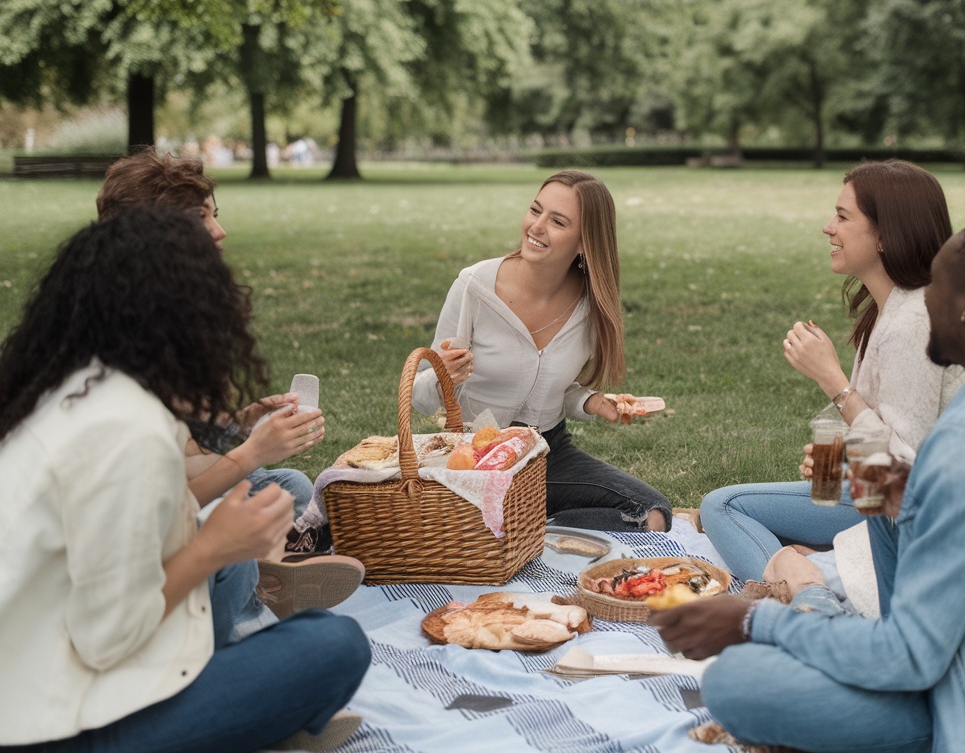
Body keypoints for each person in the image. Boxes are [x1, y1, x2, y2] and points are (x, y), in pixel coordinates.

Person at [652, 192, 965, 753]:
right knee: (879, 490)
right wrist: (886, 487)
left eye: (934, 284)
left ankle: (814, 599)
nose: (919, 301)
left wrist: (753, 623)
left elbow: (911, 658)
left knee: (735, 683)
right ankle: (821, 607)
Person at [0, 207, 371, 752]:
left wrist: (220, 547)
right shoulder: (130, 433)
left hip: (34, 665)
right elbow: (106, 637)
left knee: (225, 573)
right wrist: (215, 544)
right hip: (56, 726)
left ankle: (238, 699)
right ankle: (249, 721)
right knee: (334, 644)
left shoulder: (68, 389)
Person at [97, 148, 363, 621]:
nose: (220, 232)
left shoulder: (179, 313)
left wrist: (241, 424)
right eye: (201, 219)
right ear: (153, 234)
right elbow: (164, 499)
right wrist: (250, 453)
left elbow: (190, 445)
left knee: (286, 486)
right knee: (239, 543)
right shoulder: (122, 341)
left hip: (176, 493)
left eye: (216, 216)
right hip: (131, 534)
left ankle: (267, 574)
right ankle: (258, 584)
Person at [700, 160, 965, 615]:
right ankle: (806, 571)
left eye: (843, 217)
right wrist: (841, 458)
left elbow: (904, 482)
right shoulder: (890, 311)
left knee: (725, 509)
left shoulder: (916, 323)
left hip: (922, 520)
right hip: (875, 496)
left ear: (885, 234)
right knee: (726, 507)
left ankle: (811, 596)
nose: (828, 227)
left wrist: (833, 380)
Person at [411, 169, 672, 532]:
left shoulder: (589, 305)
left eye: (557, 221)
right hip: (472, 457)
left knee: (651, 514)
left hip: (547, 454)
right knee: (469, 529)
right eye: (536, 211)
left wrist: (592, 402)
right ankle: (521, 526)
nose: (536, 226)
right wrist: (444, 378)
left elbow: (553, 389)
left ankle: (529, 528)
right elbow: (420, 396)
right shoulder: (474, 287)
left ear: (584, 243)